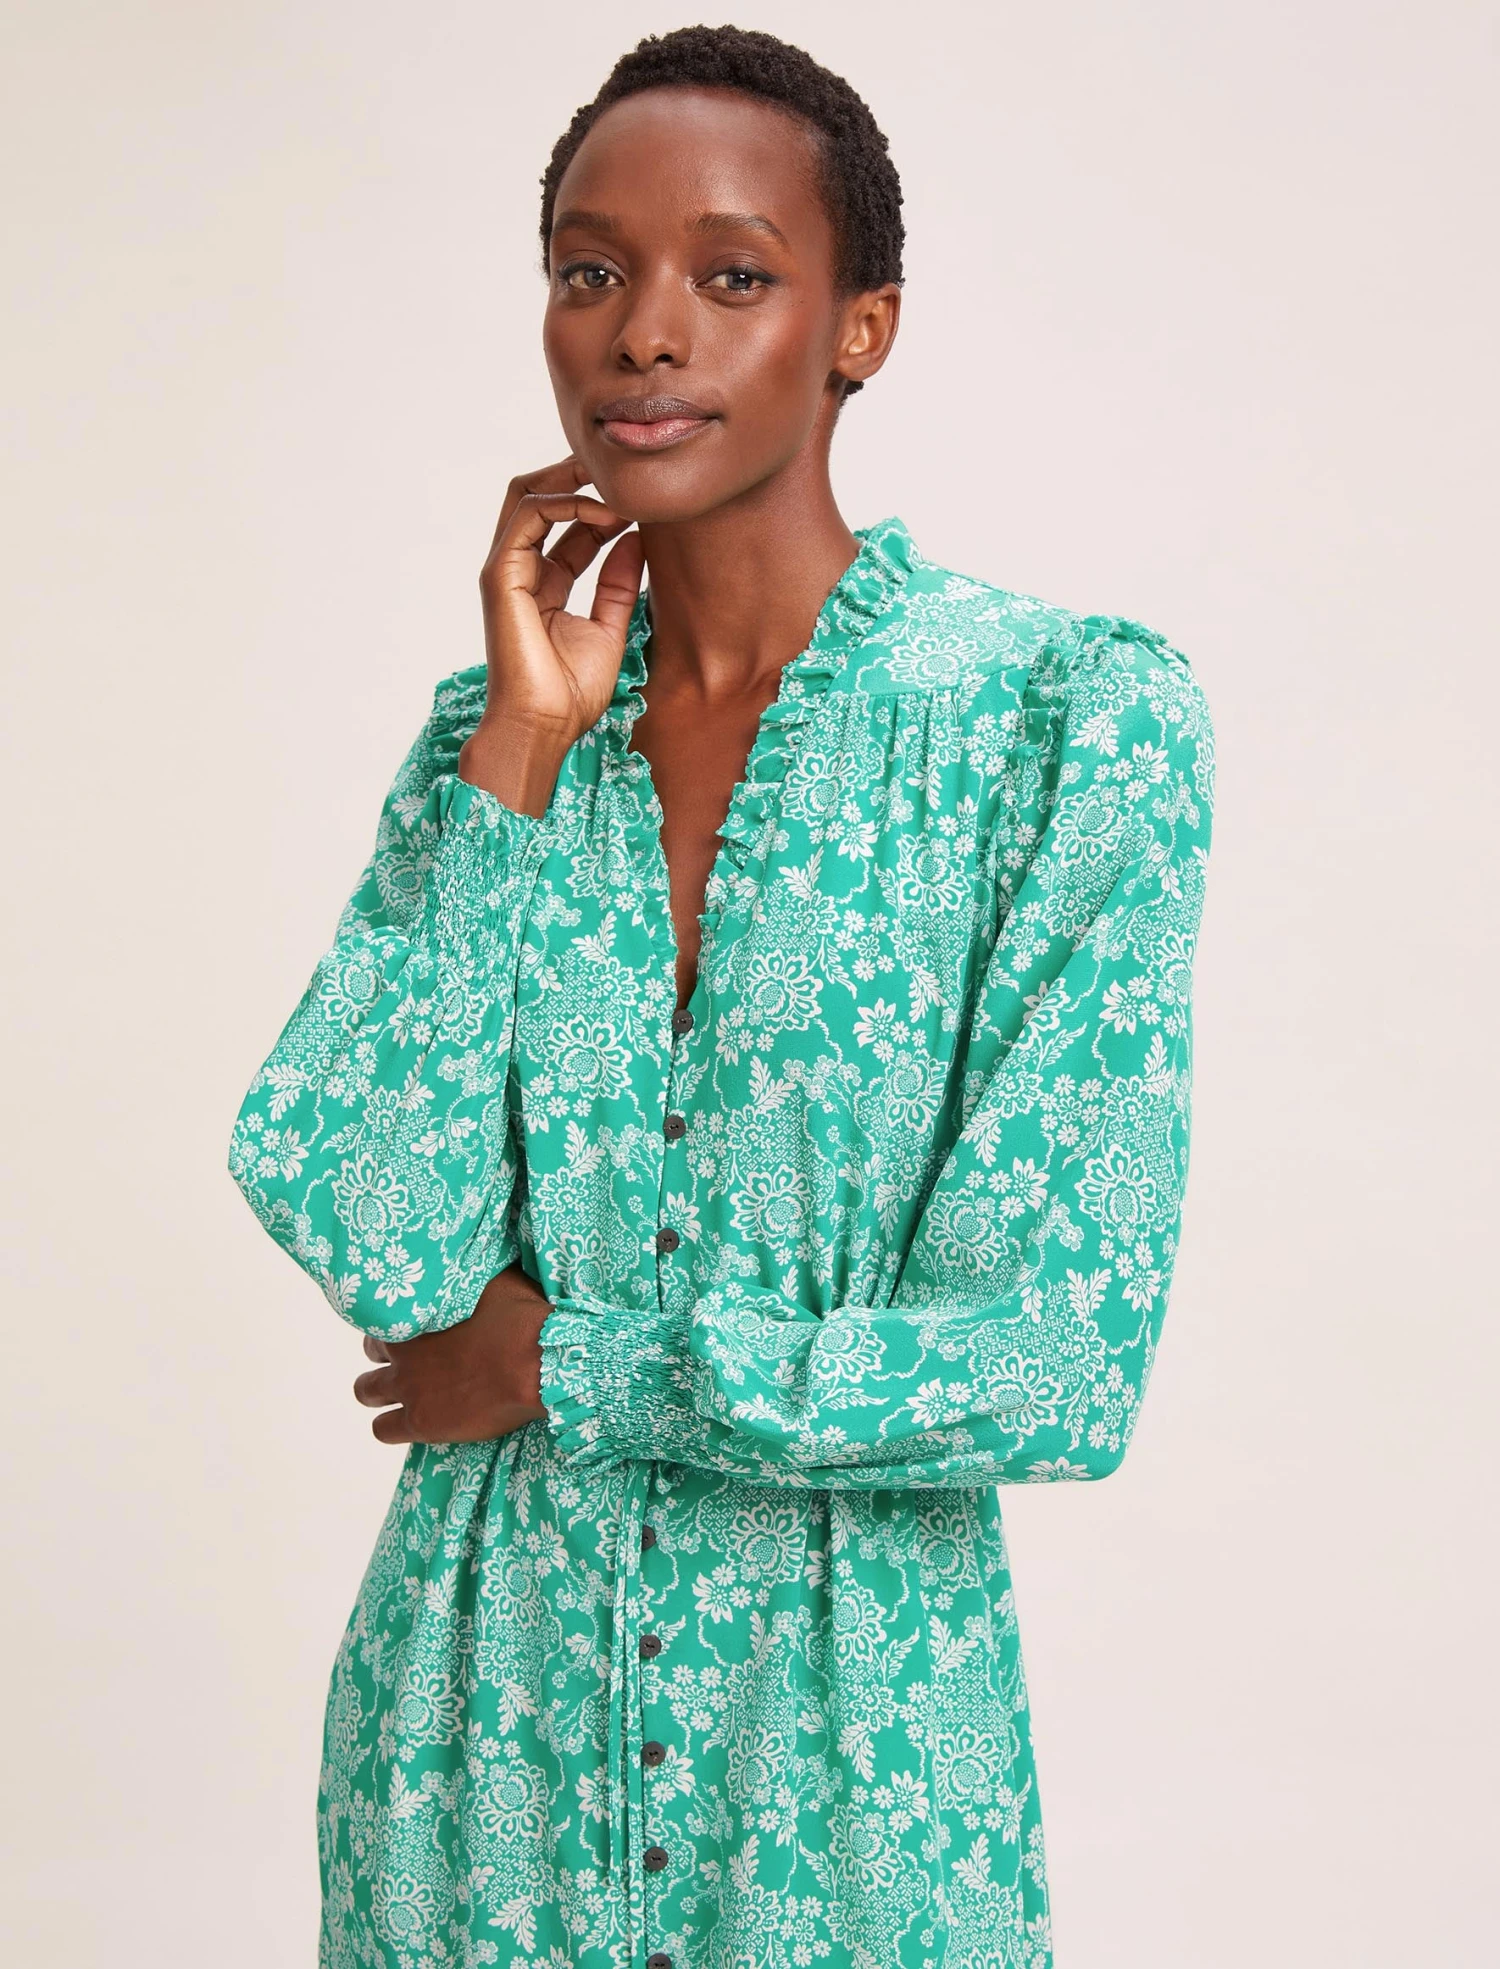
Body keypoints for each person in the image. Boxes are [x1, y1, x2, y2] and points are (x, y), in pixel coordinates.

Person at [227, 24, 1214, 1969]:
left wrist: (570, 1369)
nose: (645, 334)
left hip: (846, 1783)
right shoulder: (496, 746)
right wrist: (519, 751)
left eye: (734, 274)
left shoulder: (1061, 727)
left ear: (864, 329)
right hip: (468, 1766)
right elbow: (367, 1224)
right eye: (590, 271)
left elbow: (1050, 1361)